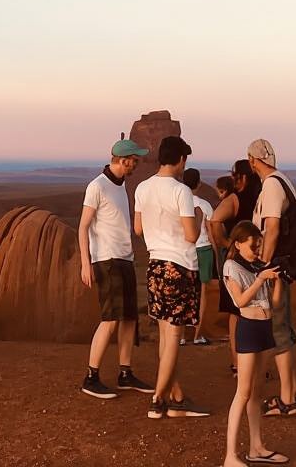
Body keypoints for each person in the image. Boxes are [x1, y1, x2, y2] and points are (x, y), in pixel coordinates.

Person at [134, 135, 209, 419]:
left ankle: (175, 396)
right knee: (174, 336)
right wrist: (200, 218)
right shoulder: (181, 192)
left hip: (155, 266)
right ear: (180, 160)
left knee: (166, 335)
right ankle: (158, 399)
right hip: (179, 266)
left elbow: (138, 229)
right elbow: (191, 235)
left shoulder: (142, 188)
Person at [78, 138, 154, 400]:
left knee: (129, 319)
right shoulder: (97, 186)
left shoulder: (121, 186)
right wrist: (85, 263)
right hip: (106, 260)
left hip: (124, 259)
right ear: (123, 160)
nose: (137, 163)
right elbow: (83, 226)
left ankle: (125, 373)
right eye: (134, 160)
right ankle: (91, 377)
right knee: (110, 319)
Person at [220, 221, 289, 467]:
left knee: (257, 394)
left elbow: (276, 303)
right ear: (238, 244)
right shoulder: (231, 266)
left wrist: (279, 280)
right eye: (252, 245)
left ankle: (256, 447)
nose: (257, 250)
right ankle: (230, 455)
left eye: (258, 245)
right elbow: (239, 301)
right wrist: (260, 279)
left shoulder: (256, 266)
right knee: (243, 392)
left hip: (264, 329)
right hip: (248, 330)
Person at [246, 139, 296, 417]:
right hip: (283, 264)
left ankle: (287, 400)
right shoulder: (283, 180)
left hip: (276, 265)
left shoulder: (270, 185)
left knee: (278, 330)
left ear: (253, 160)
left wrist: (263, 266)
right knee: (284, 328)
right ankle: (294, 391)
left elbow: (274, 228)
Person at [210, 160, 260, 374]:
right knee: (255, 309)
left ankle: (238, 363)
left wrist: (225, 244)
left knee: (236, 313)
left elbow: (214, 221)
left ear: (242, 177)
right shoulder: (261, 195)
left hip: (237, 259)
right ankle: (254, 364)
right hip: (257, 257)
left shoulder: (235, 199)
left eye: (234, 176)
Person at [181, 168, 215, 346]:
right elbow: (210, 232)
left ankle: (179, 336)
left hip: (184, 250)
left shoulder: (178, 203)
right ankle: (197, 335)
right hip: (203, 249)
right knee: (203, 293)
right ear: (199, 183)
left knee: (184, 292)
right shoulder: (205, 205)